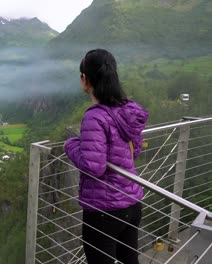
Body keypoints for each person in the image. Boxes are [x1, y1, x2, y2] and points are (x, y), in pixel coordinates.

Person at [64, 49, 149, 264]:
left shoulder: (96, 116)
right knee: (130, 260)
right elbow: (133, 152)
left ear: (85, 79)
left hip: (104, 209)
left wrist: (71, 145)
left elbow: (94, 167)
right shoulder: (128, 111)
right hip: (131, 202)